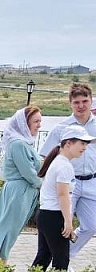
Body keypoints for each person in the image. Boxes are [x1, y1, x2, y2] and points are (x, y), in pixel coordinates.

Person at [39, 83, 96, 262]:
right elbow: (46, 156)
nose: (81, 106)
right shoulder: (61, 128)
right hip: (67, 183)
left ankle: (68, 254)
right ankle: (61, 262)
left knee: (92, 225)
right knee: (64, 225)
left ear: (91, 101)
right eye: (76, 102)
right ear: (70, 104)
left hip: (92, 181)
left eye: (85, 101)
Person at [0, 106, 43, 262]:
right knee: (7, 226)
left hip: (24, 191)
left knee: (13, 228)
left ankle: (1, 259)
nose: (39, 125)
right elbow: (28, 173)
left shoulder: (25, 144)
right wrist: (43, 185)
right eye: (36, 121)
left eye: (40, 121)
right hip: (19, 191)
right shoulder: (18, 144)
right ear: (25, 123)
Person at [32, 125, 93, 270]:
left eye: (86, 144)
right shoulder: (64, 166)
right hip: (54, 216)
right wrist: (68, 222)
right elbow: (63, 195)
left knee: (44, 256)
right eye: (82, 143)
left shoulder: (59, 162)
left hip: (46, 214)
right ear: (68, 143)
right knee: (61, 259)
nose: (84, 148)